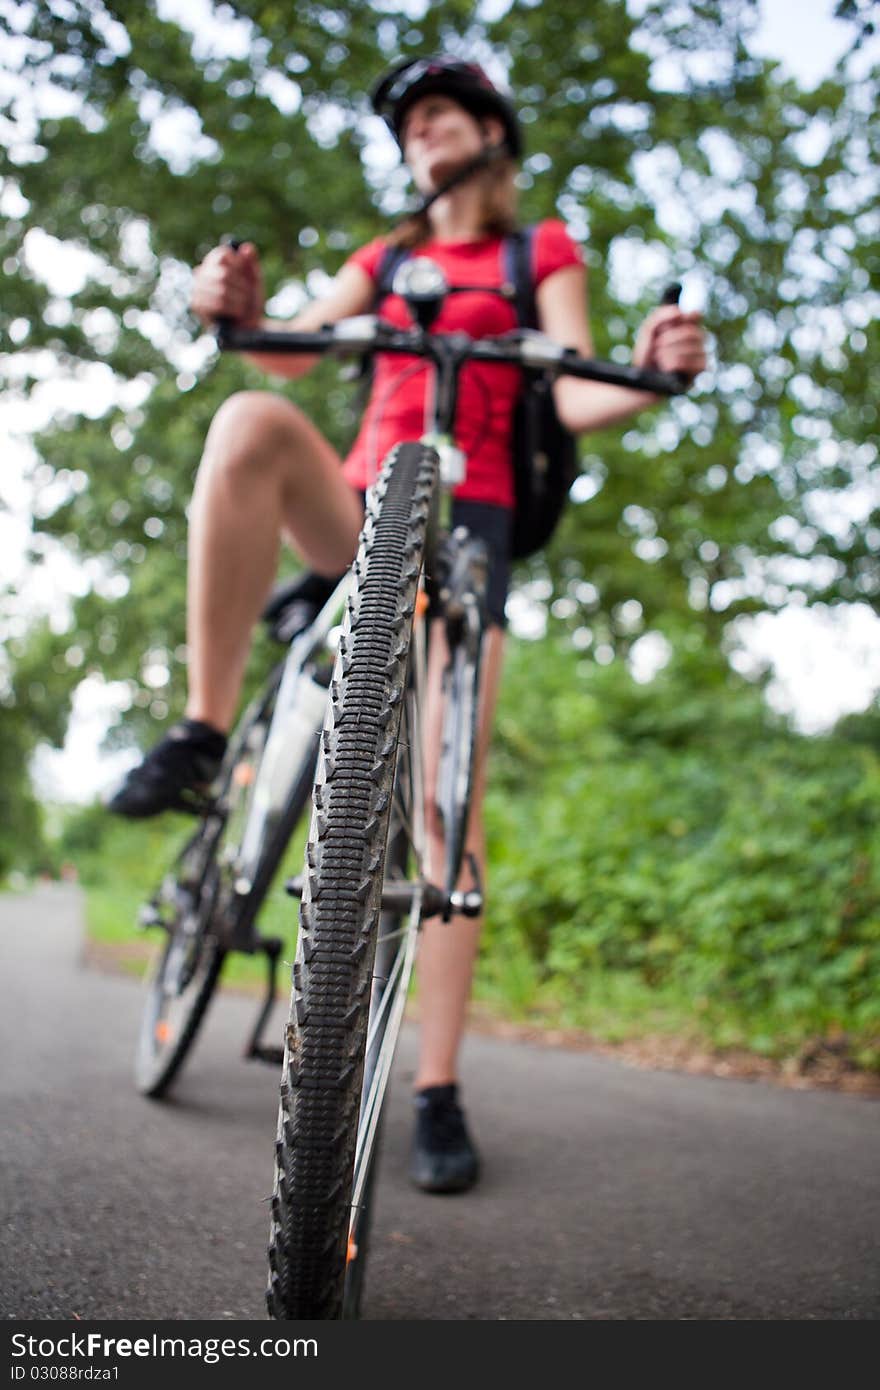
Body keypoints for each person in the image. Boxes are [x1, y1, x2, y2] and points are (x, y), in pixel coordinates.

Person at [109, 55, 706, 1193]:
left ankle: (433, 1084)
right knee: (247, 419)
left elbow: (573, 385)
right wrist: (234, 312)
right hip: (358, 503)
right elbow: (296, 343)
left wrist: (647, 370)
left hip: (468, 522)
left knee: (445, 807)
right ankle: (200, 728)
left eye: (435, 114)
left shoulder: (542, 250)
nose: (416, 134)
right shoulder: (385, 254)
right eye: (407, 124)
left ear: (490, 132)